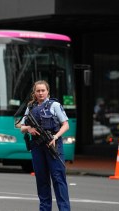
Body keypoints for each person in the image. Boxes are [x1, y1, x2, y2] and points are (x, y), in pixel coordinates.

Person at [20, 80, 71, 211]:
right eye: (38, 91)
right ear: (34, 93)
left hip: (53, 144)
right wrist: (29, 128)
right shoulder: (30, 106)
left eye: (43, 90)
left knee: (58, 179)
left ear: (48, 91)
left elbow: (66, 125)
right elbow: (20, 126)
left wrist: (55, 136)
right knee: (42, 179)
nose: (41, 93)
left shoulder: (55, 105)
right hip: (37, 146)